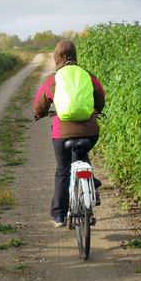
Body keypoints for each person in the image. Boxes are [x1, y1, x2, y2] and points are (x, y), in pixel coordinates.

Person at [33, 40, 105, 228]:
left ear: (58, 58)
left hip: (62, 133)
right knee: (82, 152)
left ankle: (58, 216)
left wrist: (39, 113)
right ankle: (90, 181)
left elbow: (40, 102)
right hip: (89, 131)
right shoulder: (87, 76)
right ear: (75, 55)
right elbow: (100, 95)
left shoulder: (53, 79)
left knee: (63, 170)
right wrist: (96, 109)